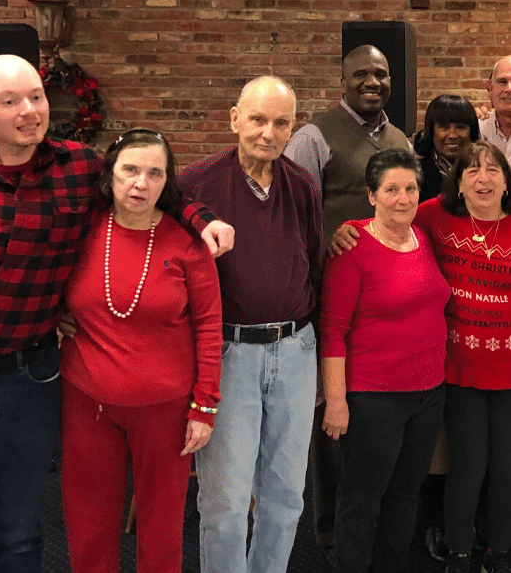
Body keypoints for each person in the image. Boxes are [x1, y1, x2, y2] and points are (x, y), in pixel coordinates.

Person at [0, 54, 230, 573]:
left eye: (36, 97)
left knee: (21, 526)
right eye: (10, 101)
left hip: (32, 376)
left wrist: (203, 219)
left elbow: (162, 196)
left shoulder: (76, 167)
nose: (29, 110)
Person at [332, 141, 511, 573]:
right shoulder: (435, 214)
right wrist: (348, 228)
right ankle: (459, 550)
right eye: (471, 171)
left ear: (507, 180)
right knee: (467, 468)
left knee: (509, 470)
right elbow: (388, 214)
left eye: (493, 170)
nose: (483, 179)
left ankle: (500, 550)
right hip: (456, 370)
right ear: (458, 181)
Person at [59, 129, 223, 573]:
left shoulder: (188, 243)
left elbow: (209, 328)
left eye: (154, 173)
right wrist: (51, 315)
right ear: (110, 174)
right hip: (87, 402)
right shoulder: (81, 231)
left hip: (167, 410)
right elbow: (41, 277)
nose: (140, 183)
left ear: (166, 182)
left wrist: (204, 406)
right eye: (130, 170)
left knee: (162, 529)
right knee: (88, 524)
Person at [180, 76, 325, 573]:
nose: (268, 132)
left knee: (286, 494)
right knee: (225, 498)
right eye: (258, 119)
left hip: (296, 350)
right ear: (234, 118)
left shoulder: (302, 183)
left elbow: (315, 264)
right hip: (229, 355)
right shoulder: (195, 183)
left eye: (281, 122)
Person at [284, 43, 412, 561]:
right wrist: (329, 238)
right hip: (331, 296)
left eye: (379, 75)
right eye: (360, 74)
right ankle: (331, 532)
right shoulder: (314, 137)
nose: (372, 82)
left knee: (370, 414)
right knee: (333, 419)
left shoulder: (399, 137)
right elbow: (292, 214)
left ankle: (369, 522)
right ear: (342, 82)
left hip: (382, 303)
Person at [320, 148, 450, 573]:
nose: (403, 197)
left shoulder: (423, 238)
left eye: (410, 188)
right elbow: (333, 331)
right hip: (374, 397)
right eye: (391, 189)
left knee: (405, 494)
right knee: (362, 498)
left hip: (429, 393)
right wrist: (336, 401)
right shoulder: (353, 247)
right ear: (371, 195)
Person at [414, 94, 480, 201]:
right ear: (431, 131)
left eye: (460, 127)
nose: (452, 135)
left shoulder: (482, 171)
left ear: (471, 132)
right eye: (444, 127)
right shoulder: (416, 174)